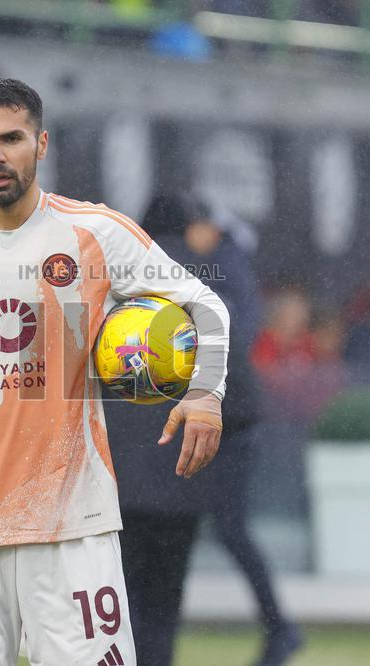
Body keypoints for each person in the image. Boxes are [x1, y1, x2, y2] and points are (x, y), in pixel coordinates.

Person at [0, 78, 230, 665]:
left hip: (74, 530)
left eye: (11, 138)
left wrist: (206, 393)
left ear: (41, 144)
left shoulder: (95, 232)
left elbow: (205, 305)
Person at [106, 194, 301, 666]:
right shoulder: (207, 288)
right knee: (163, 602)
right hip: (182, 479)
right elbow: (233, 385)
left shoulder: (109, 284)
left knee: (117, 600)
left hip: (119, 478)